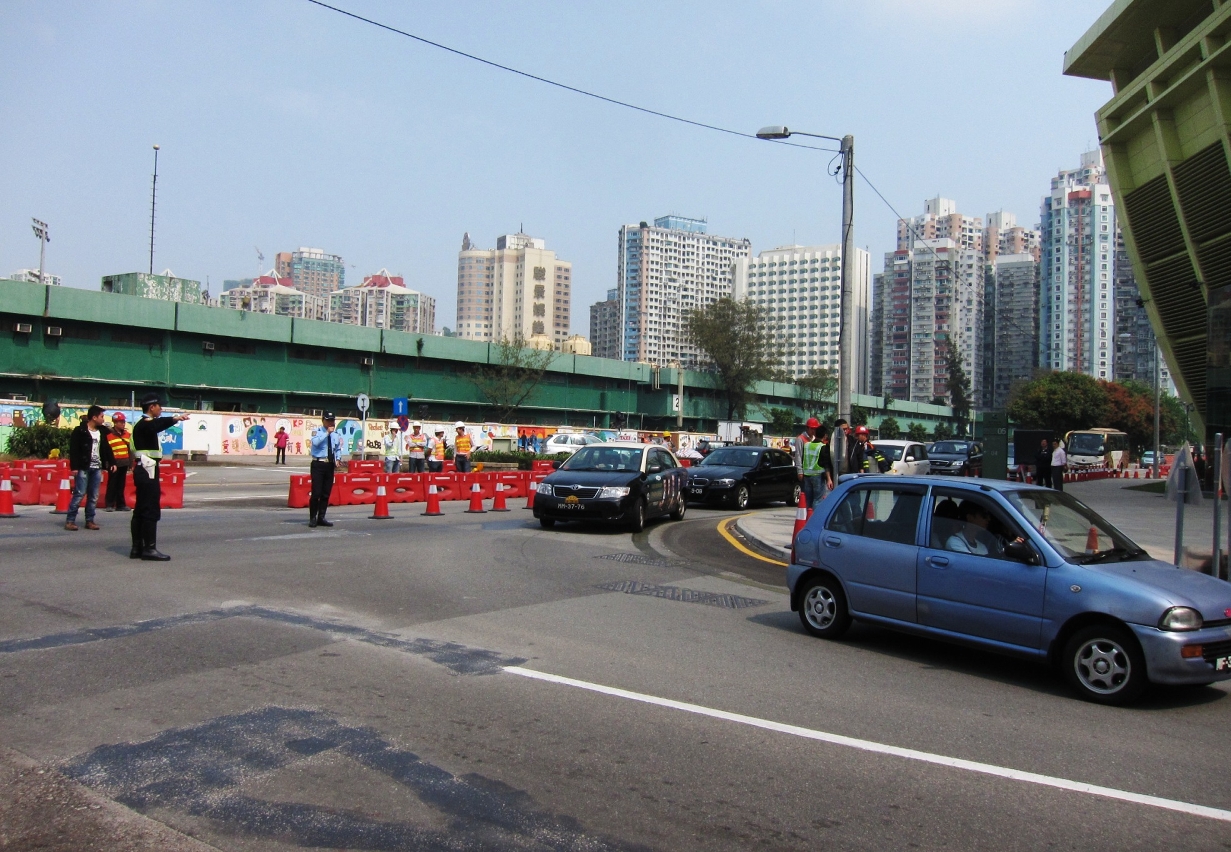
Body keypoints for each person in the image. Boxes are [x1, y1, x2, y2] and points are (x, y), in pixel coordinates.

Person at [130, 394, 189, 560]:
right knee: (150, 509)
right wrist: (175, 418)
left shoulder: (142, 424)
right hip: (147, 469)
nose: (161, 409)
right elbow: (156, 425)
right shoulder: (145, 423)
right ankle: (149, 549)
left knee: (141, 509)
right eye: (159, 406)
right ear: (151, 407)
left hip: (144, 468)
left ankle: (137, 548)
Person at [65, 405, 115, 532]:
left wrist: (112, 462)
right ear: (94, 417)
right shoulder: (80, 431)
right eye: (101, 416)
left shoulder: (102, 432)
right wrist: (74, 467)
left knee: (94, 495)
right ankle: (70, 520)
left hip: (97, 467)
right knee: (79, 493)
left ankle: (90, 520)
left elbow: (107, 448)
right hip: (83, 467)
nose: (103, 419)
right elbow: (74, 449)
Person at [308, 411, 345, 528]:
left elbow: (337, 448)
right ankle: (312, 518)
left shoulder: (336, 434)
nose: (331, 423)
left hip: (329, 465)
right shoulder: (317, 431)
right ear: (323, 420)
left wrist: (338, 458)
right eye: (328, 420)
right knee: (316, 493)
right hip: (318, 463)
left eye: (332, 420)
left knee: (326, 493)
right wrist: (327, 433)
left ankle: (321, 517)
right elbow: (315, 443)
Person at [793, 417, 832, 508]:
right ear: (807, 428)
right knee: (814, 499)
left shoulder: (813, 439)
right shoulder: (801, 439)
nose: (814, 431)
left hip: (811, 473)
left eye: (815, 429)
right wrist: (800, 471)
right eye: (812, 429)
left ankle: (810, 514)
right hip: (809, 473)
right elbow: (798, 456)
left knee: (811, 498)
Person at [103, 411, 134, 512]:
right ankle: (109, 504)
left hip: (124, 463)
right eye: (121, 422)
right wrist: (108, 463)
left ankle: (121, 505)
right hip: (114, 464)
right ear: (115, 423)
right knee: (112, 484)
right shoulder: (109, 435)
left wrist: (131, 463)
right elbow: (107, 451)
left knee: (121, 485)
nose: (123, 424)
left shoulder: (127, 435)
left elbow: (130, 450)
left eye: (124, 422)